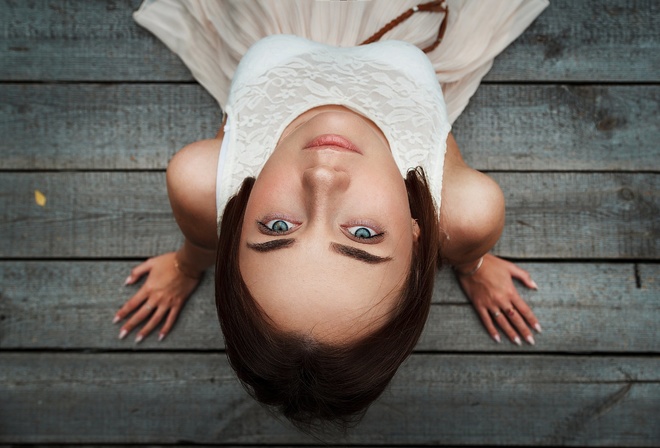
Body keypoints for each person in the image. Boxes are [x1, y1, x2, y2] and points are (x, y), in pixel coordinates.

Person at [115, 0, 548, 429]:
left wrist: (186, 265)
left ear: (236, 215)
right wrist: (472, 263)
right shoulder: (467, 211)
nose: (322, 176)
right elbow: (430, 134)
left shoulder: (203, 182)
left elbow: (233, 148)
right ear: (418, 233)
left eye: (278, 227)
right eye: (362, 233)